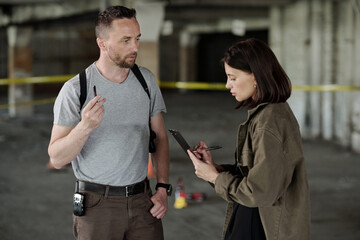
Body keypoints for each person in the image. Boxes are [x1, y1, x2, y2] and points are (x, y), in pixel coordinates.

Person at [48, 6, 171, 240]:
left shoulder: (146, 81)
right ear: (102, 43)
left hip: (142, 202)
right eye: (125, 40)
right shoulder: (75, 90)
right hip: (97, 207)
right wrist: (85, 126)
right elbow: (57, 158)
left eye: (137, 39)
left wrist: (163, 188)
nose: (135, 47)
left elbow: (160, 137)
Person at [187, 38, 311, 240]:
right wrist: (215, 168)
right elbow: (257, 173)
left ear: (256, 77)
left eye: (233, 78)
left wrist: (214, 177)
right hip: (256, 218)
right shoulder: (266, 114)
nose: (228, 85)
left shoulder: (269, 121)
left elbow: (259, 191)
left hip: (262, 225)